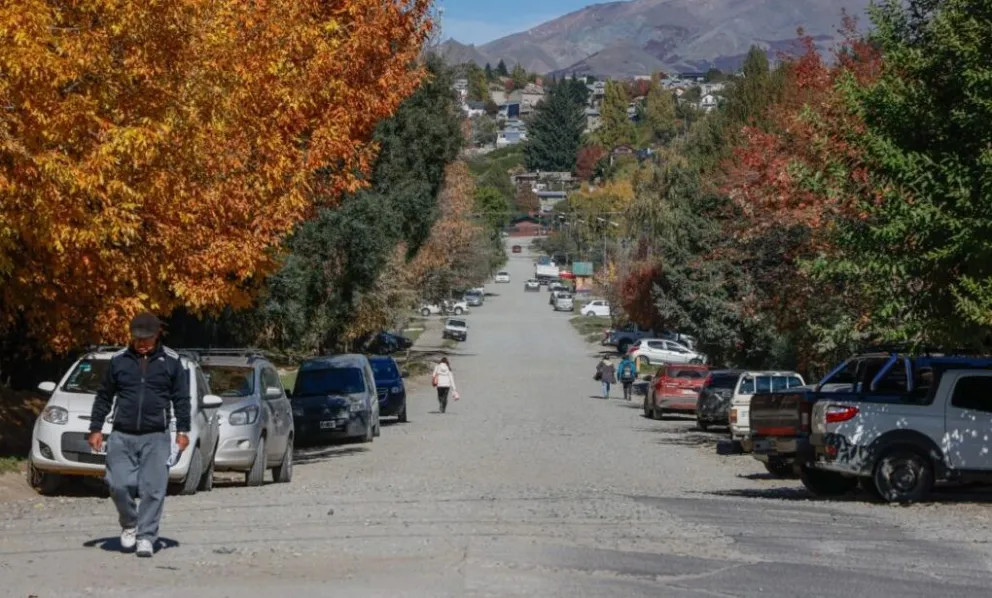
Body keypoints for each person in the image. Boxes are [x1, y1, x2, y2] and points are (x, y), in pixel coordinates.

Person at [87, 312, 191, 558]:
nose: (143, 343)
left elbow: (181, 399)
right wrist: (95, 428)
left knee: (153, 489)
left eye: (148, 338)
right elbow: (104, 395)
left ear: (157, 336)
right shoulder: (119, 361)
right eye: (138, 338)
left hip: (157, 436)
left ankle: (146, 536)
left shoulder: (172, 361)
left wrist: (183, 431)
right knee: (118, 484)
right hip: (122, 435)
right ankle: (130, 524)